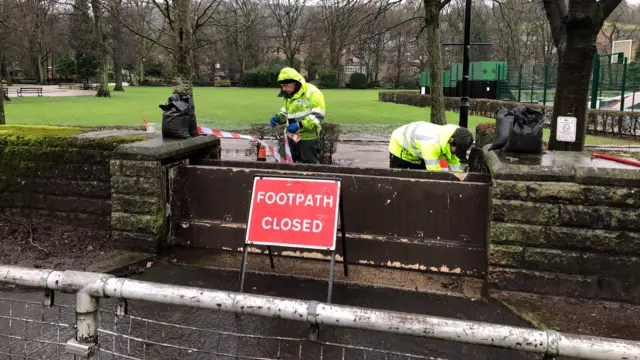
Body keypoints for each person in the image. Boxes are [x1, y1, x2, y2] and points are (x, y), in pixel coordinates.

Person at [269, 67, 325, 164]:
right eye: (282, 86)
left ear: (295, 82)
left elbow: (318, 114)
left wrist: (300, 125)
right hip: (291, 137)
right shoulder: (289, 94)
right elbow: (286, 112)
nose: (283, 89)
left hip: (308, 139)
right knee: (280, 164)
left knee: (310, 170)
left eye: (286, 85)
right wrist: (279, 118)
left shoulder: (312, 92)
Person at [388, 121, 474, 172]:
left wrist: (458, 179)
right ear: (451, 141)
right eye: (457, 150)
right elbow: (434, 172)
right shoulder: (431, 144)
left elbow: (451, 161)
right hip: (399, 146)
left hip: (419, 147)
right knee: (399, 183)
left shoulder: (454, 136)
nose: (456, 154)